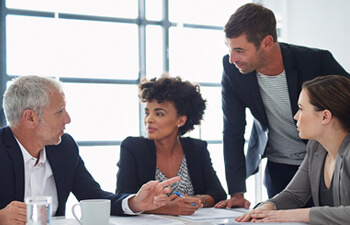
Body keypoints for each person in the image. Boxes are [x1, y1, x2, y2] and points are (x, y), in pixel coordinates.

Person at [215, 3, 350, 209]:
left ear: (267, 42)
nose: (233, 58)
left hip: (323, 162)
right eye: (230, 49)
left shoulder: (315, 61)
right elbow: (232, 129)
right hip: (279, 166)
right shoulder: (232, 69)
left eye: (240, 50)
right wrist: (236, 192)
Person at [0, 75, 180, 225]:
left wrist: (135, 202)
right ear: (30, 118)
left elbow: (93, 196)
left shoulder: (64, 147)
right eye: (59, 111)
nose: (67, 119)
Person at [235, 75, 350, 224]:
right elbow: (294, 195)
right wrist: (267, 207)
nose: (295, 116)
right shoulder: (315, 148)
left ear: (325, 116)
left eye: (301, 109)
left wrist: (289, 216)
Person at [116, 74, 227, 215]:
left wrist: (197, 200)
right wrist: (167, 208)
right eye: (147, 112)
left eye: (159, 114)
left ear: (180, 120)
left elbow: (218, 193)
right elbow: (124, 198)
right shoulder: (133, 147)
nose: (149, 120)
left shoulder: (197, 149)